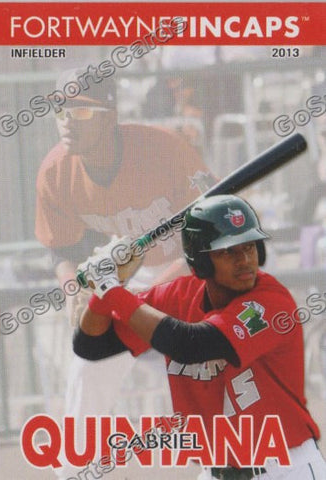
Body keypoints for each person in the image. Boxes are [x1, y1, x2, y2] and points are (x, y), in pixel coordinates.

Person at [35, 66, 215, 477]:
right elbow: (60, 246)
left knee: (216, 369)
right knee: (88, 362)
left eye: (80, 112)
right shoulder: (56, 172)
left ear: (109, 115)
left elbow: (212, 232)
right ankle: (75, 469)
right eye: (60, 110)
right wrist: (72, 290)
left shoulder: (164, 149)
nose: (66, 121)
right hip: (138, 280)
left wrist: (143, 296)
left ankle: (235, 463)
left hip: (197, 273)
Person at [74, 194, 326, 480]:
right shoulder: (177, 297)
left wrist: (111, 290)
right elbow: (91, 345)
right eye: (228, 252)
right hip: (216, 472)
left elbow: (191, 344)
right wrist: (103, 289)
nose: (244, 260)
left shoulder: (271, 303)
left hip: (286, 469)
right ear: (201, 261)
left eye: (249, 247)